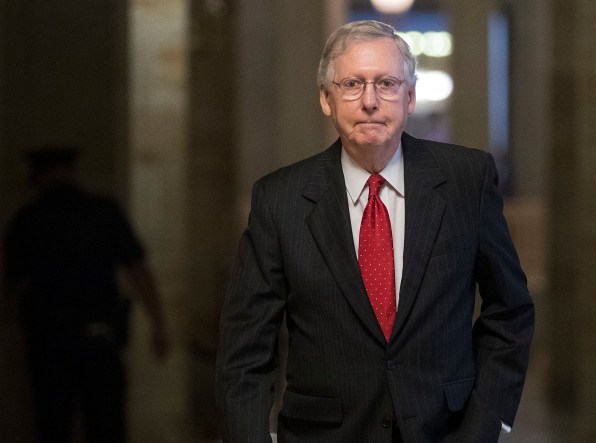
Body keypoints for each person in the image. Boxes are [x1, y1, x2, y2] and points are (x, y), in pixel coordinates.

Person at [215, 20, 534, 443]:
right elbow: (246, 349)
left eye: (386, 83)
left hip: (446, 431)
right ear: (326, 99)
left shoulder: (466, 180)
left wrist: (484, 424)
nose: (370, 101)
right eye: (351, 84)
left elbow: (509, 311)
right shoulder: (280, 200)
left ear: (410, 97)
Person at [2, 146, 168, 442]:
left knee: (53, 426)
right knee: (106, 427)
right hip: (98, 339)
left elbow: (11, 290)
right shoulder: (102, 211)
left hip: (48, 344)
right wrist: (158, 324)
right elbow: (138, 271)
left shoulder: (28, 220)